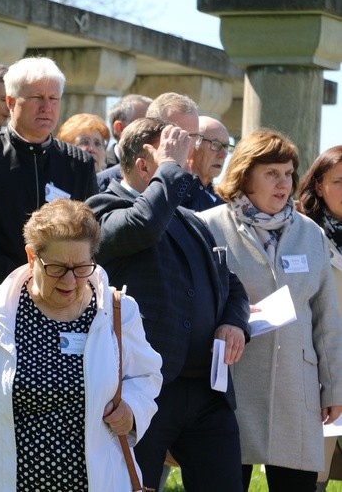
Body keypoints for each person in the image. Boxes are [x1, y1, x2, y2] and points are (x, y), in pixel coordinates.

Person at [0, 198, 162, 490]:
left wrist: (132, 410)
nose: (70, 280)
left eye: (82, 267)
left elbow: (147, 376)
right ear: (32, 258)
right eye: (57, 268)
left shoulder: (118, 313)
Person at [87, 117, 251, 491]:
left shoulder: (192, 221)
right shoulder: (102, 207)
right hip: (145, 388)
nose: (185, 169)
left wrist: (233, 323)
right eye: (173, 161)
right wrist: (170, 172)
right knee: (135, 486)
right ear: (146, 164)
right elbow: (143, 225)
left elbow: (233, 286)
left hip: (208, 391)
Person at [199, 130, 342, 492]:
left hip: (297, 384)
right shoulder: (208, 226)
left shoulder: (310, 233)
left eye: (289, 173)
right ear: (245, 175)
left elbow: (327, 317)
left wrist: (335, 388)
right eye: (271, 173)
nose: (284, 183)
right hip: (234, 382)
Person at [0, 56, 98, 356]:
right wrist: (29, 281)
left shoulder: (77, 164)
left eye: (53, 98)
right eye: (37, 98)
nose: (47, 107)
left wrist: (55, 283)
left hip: (62, 310)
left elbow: (90, 237)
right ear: (11, 102)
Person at [297, 146, 342, 491]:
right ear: (319, 186)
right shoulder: (302, 234)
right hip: (320, 374)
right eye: (339, 181)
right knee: (314, 478)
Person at [98, 94, 151, 190]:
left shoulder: (158, 169)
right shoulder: (98, 169)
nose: (154, 132)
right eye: (144, 125)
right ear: (120, 128)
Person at [186, 115, 231, 211]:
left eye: (226, 146)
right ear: (192, 145)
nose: (223, 155)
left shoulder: (226, 204)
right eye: (215, 144)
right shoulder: (173, 192)